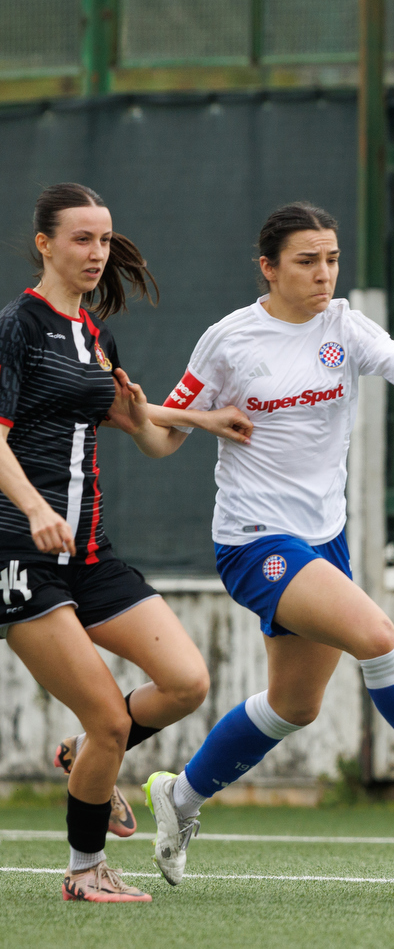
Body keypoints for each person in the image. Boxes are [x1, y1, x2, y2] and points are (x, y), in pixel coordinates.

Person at [141, 201, 394, 887]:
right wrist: (178, 414)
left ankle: (180, 798)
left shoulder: (344, 325)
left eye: (332, 259)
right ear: (268, 268)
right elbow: (165, 434)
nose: (324, 273)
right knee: (377, 635)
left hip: (323, 540)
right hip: (254, 539)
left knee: (295, 706)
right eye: (307, 261)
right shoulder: (229, 340)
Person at [0, 183, 236, 903]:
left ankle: (85, 758)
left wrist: (202, 420)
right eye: (81, 239)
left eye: (104, 240)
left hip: (92, 555)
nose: (97, 253)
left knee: (187, 682)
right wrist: (36, 508)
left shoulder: (95, 337)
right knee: (108, 715)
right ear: (45, 245)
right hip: (22, 555)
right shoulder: (18, 327)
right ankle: (83, 872)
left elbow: (151, 438)